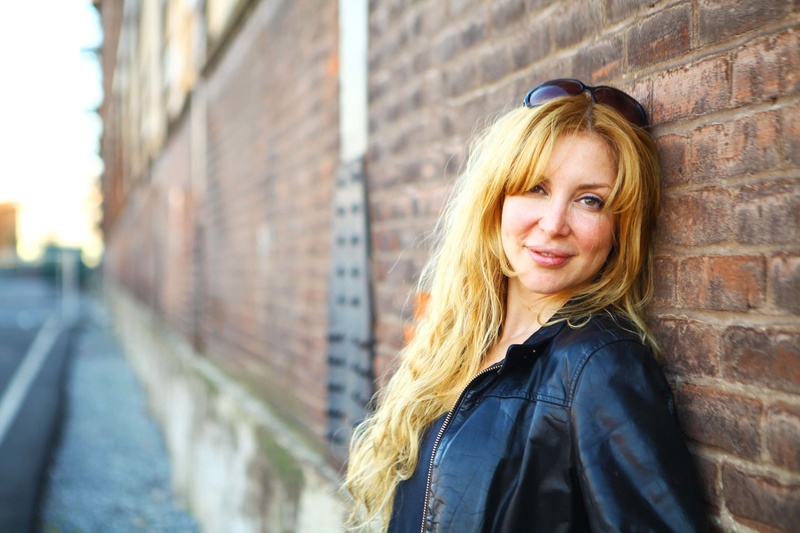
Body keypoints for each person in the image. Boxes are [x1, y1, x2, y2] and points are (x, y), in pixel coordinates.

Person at [344, 79, 706, 532]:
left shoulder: (598, 366)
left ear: (619, 230)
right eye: (536, 188)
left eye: (590, 201)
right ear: (496, 201)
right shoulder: (458, 344)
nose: (554, 224)